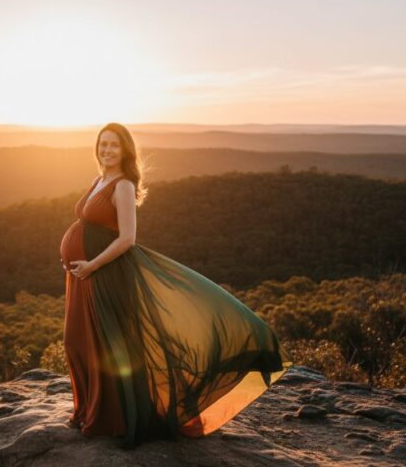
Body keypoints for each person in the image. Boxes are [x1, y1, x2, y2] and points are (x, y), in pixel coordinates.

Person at [58, 122, 293, 449]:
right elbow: (88, 226)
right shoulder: (100, 179)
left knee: (105, 347)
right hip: (83, 275)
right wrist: (71, 258)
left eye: (114, 145)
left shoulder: (123, 185)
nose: (107, 150)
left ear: (125, 151)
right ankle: (91, 410)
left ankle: (112, 419)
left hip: (106, 276)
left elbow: (127, 238)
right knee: (78, 342)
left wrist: (92, 264)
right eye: (103, 144)